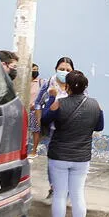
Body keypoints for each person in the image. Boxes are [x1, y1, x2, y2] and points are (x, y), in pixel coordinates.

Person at [41, 70, 104, 217]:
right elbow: (99, 126)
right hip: (81, 158)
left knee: (60, 195)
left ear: (67, 86)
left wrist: (52, 98)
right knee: (77, 195)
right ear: (86, 87)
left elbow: (44, 120)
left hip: (59, 156)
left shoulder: (58, 104)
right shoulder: (95, 105)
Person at [0, 50, 36, 217]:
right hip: (4, 147)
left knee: (9, 184)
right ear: (2, 64)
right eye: (12, 66)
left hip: (10, 146)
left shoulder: (2, 84)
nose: (15, 70)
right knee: (13, 183)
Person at [34, 57, 77, 199]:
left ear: (72, 71)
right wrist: (40, 122)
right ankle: (53, 187)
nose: (64, 72)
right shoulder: (48, 84)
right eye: (61, 69)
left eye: (67, 70)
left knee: (70, 161)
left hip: (71, 130)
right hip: (53, 129)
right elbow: (38, 103)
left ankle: (68, 189)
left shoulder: (76, 84)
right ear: (56, 69)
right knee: (53, 160)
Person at [29, 63, 47, 158]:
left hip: (35, 111)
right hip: (24, 110)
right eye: (33, 69)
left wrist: (36, 105)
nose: (35, 71)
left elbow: (44, 96)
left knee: (35, 131)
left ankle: (34, 151)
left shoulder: (41, 82)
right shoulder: (24, 82)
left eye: (37, 69)